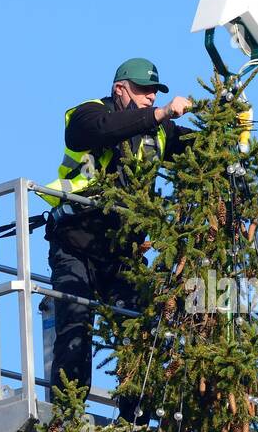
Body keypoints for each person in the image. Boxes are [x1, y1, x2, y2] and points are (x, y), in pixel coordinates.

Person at [39, 58, 193, 413]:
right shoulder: (87, 115)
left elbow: (198, 150)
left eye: (155, 93)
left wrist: (229, 127)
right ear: (120, 89)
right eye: (143, 90)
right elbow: (103, 129)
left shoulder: (158, 131)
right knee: (75, 322)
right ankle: (67, 414)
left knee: (142, 329)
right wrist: (162, 114)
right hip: (74, 244)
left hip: (123, 255)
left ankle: (135, 416)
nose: (150, 98)